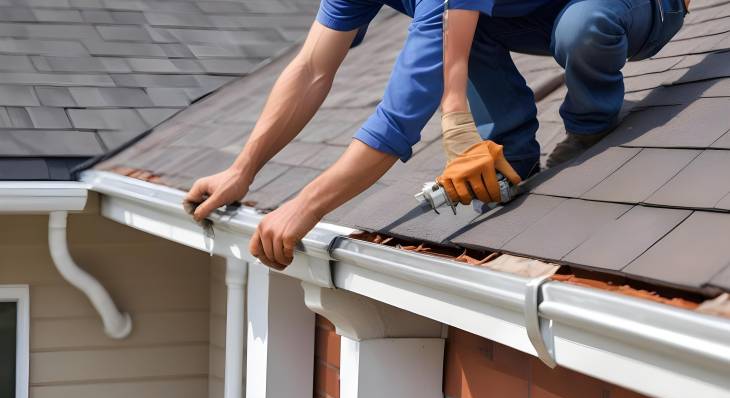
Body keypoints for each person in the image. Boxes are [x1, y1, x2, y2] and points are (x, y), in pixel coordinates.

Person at [185, 0, 688, 271]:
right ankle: (513, 158)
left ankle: (590, 126)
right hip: (529, 13)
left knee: (584, 24)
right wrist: (242, 168)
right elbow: (313, 68)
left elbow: (399, 119)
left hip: (637, 7)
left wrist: (305, 205)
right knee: (462, 38)